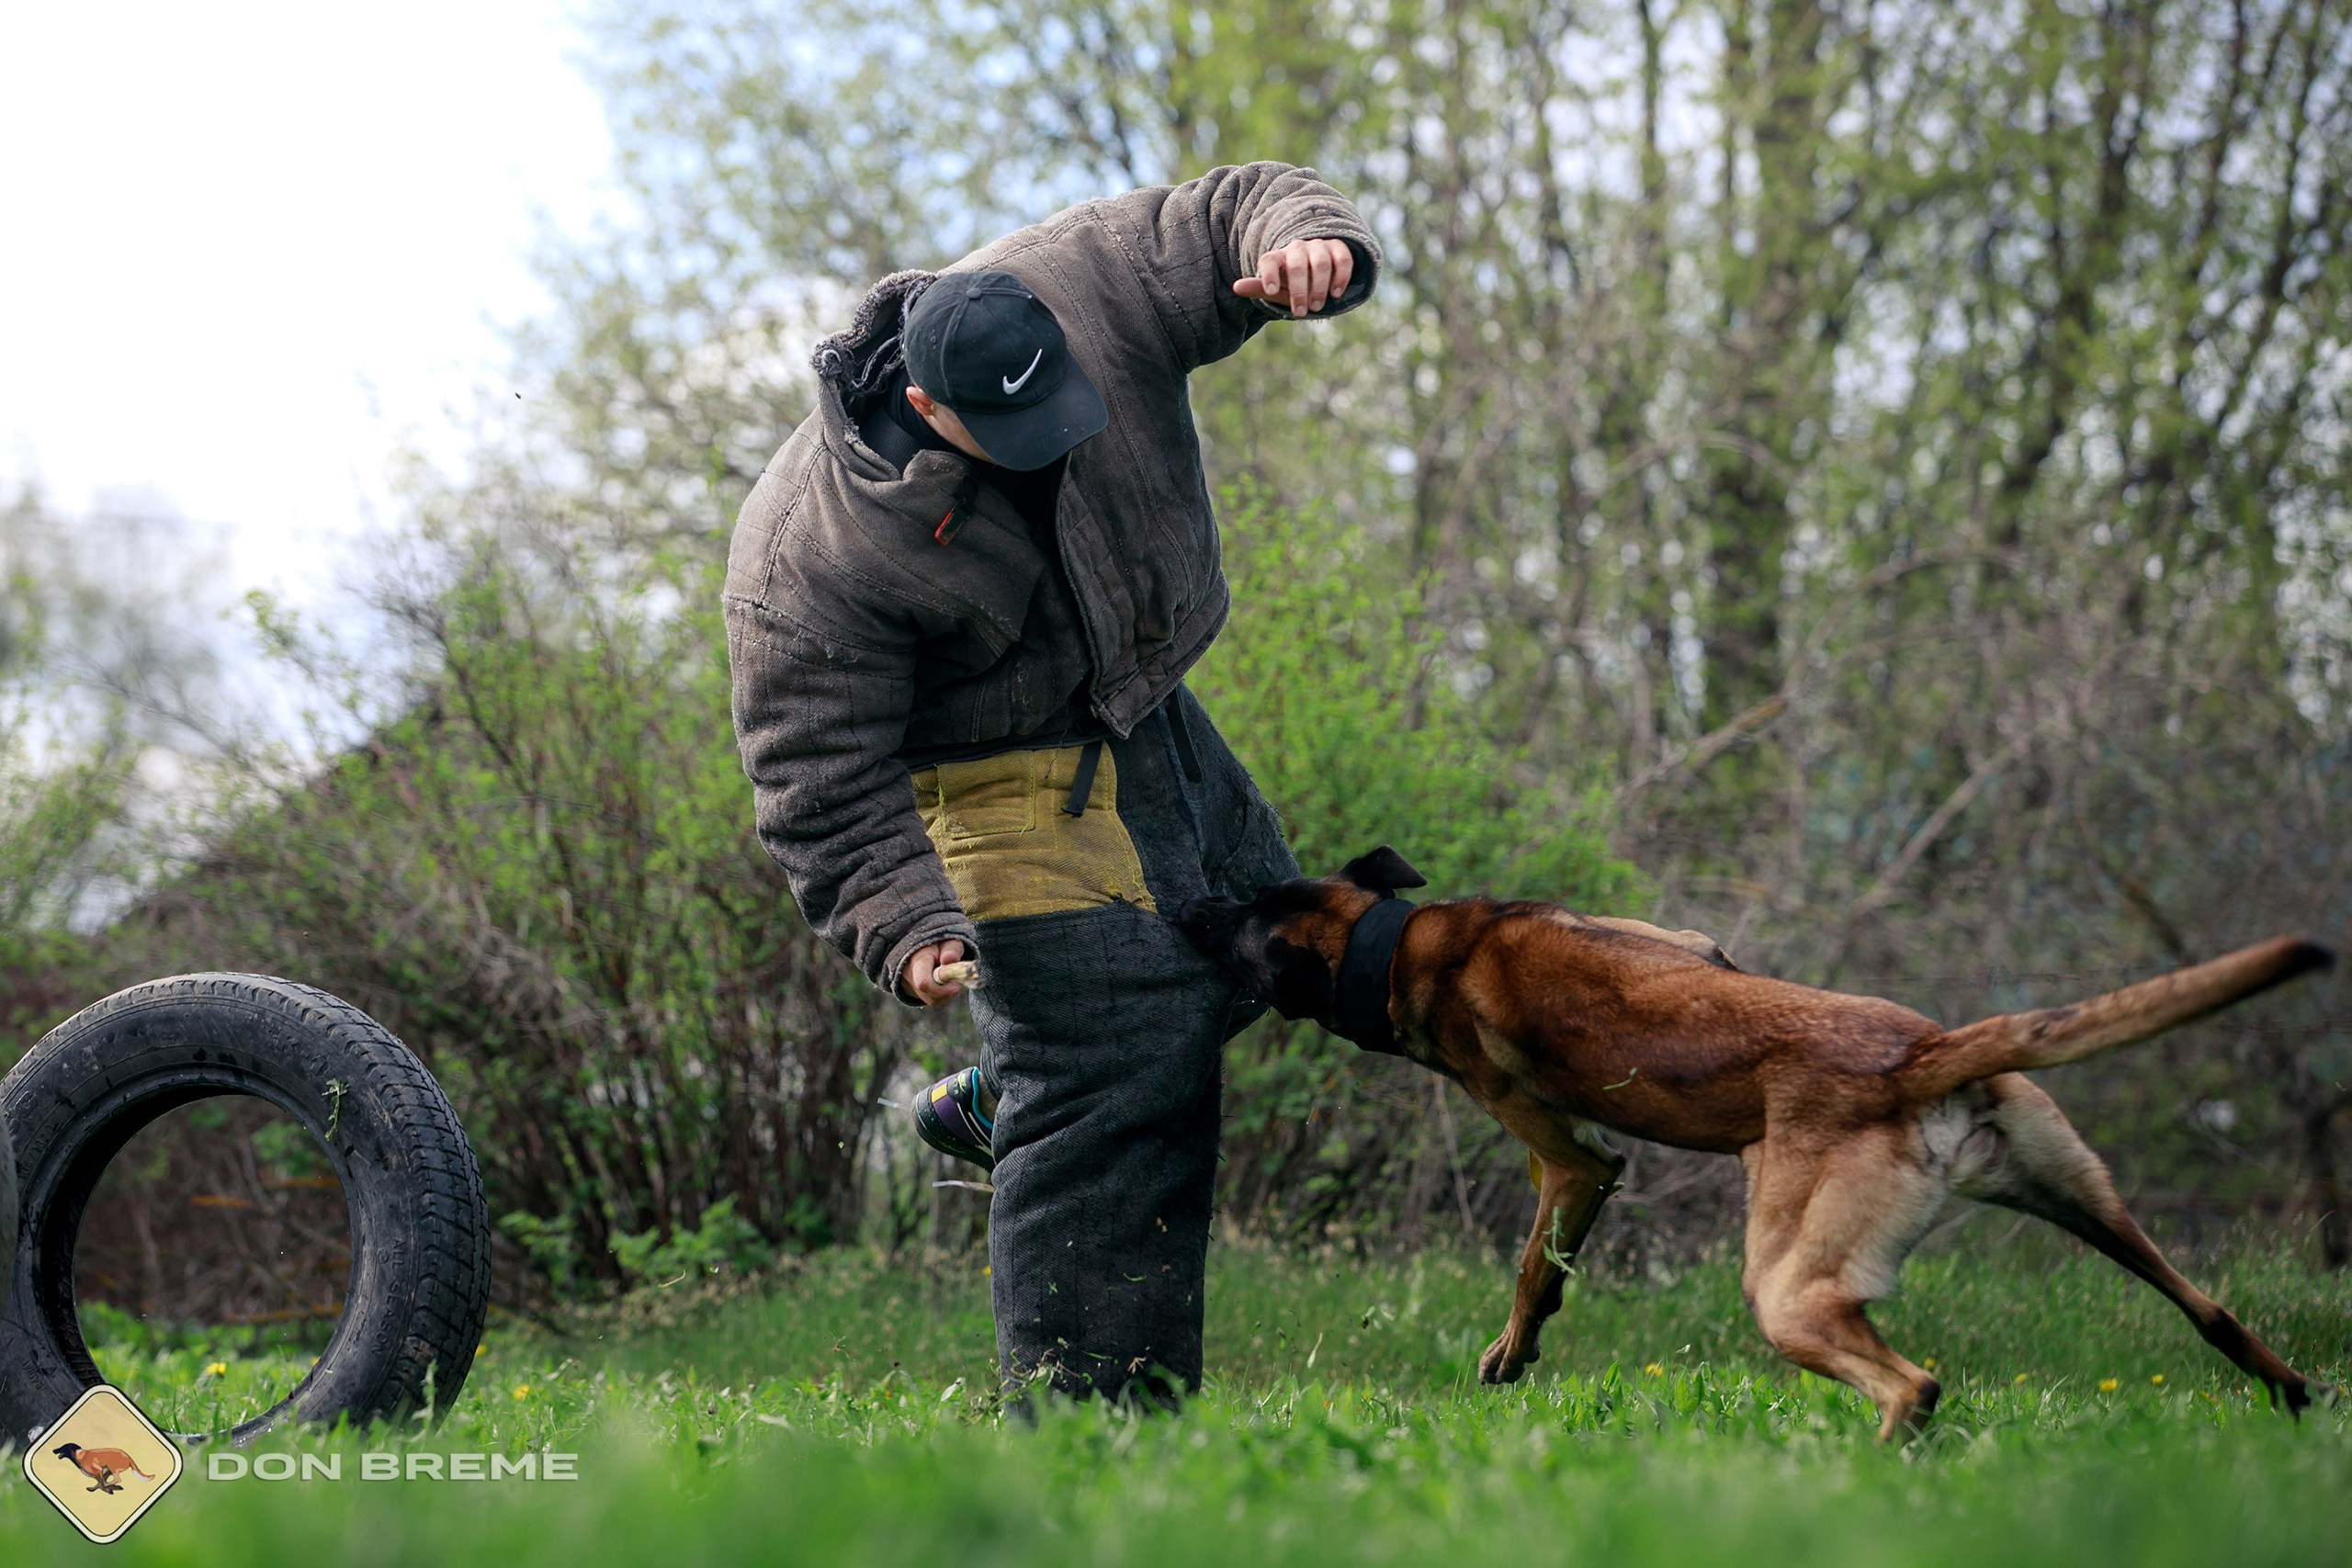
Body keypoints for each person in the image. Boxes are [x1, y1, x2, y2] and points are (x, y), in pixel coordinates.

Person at [724, 163, 1380, 1405]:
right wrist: (902, 923)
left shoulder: (1080, 278)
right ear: (924, 401)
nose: (1058, 438)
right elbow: (815, 769)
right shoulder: (810, 554)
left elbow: (1236, 204)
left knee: (1276, 947)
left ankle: (1023, 1091)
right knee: (1120, 1082)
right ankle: (1090, 1443)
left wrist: (1307, 243)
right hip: (995, 773)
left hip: (1143, 703)